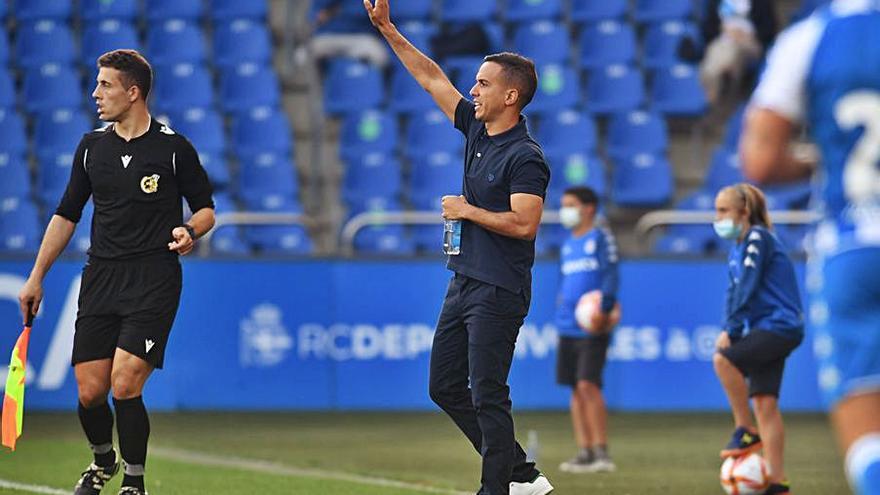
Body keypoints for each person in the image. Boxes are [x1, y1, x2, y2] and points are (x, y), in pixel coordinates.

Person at [363, 1, 553, 494]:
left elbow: (526, 224)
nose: (473, 89)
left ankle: (498, 488)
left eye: (484, 84)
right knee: (444, 386)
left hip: (500, 288)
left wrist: (468, 210)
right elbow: (431, 79)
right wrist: (388, 29)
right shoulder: (476, 128)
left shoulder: (525, 157)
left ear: (511, 96)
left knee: (489, 393)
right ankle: (522, 475)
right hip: (465, 280)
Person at [17, 49, 215, 495]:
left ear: (133, 92)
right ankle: (102, 461)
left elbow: (205, 210)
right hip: (101, 277)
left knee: (124, 382)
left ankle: (134, 482)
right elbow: (66, 214)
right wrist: (36, 276)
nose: (95, 93)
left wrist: (189, 230)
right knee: (90, 391)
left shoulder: (173, 149)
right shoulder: (91, 148)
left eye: (105, 85)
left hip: (154, 278)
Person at [739, 3, 880, 494]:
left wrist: (824, 155)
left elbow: (760, 160)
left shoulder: (812, 37)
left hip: (853, 244)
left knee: (868, 437)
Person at [712, 183, 803, 495]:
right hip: (768, 327)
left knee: (723, 360)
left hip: (779, 325)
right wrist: (731, 324)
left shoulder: (757, 238)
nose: (718, 217)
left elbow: (748, 287)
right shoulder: (738, 247)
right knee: (765, 403)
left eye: (723, 210)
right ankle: (777, 483)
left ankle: (745, 429)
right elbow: (732, 292)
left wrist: (732, 330)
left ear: (744, 212)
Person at [554, 187, 619, 474]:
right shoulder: (568, 244)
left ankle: (602, 451)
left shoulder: (600, 238)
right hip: (567, 324)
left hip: (592, 325)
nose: (564, 210)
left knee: (587, 384)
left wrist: (605, 307)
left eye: (570, 205)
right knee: (574, 389)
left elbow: (610, 274)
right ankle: (585, 450)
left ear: (589, 208)